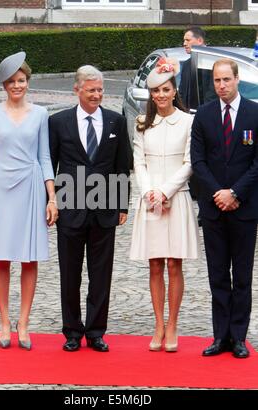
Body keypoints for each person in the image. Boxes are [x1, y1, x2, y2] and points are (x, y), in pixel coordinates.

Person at [0, 52, 58, 350]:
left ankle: (24, 322)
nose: (17, 86)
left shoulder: (41, 114)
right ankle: (4, 321)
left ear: (28, 82)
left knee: (29, 257)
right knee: (1, 255)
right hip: (0, 188)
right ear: (4, 85)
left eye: (21, 80)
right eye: (11, 82)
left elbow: (45, 157)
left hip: (31, 187)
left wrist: (52, 197)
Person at [49, 65, 132, 352]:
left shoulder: (115, 122)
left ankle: (96, 331)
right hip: (69, 208)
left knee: (101, 274)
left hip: (105, 209)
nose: (97, 95)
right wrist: (51, 201)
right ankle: (72, 331)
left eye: (100, 90)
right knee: (69, 273)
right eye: (91, 90)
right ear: (77, 90)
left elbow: (123, 166)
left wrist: (122, 205)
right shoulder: (58, 122)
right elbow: (50, 165)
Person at [130, 57, 200, 352]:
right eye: (156, 91)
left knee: (174, 264)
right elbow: (139, 161)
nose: (161, 95)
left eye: (166, 90)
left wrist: (167, 192)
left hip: (177, 197)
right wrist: (149, 192)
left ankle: (173, 325)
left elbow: (190, 161)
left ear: (175, 92)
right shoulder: (142, 123)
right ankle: (158, 325)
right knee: (155, 264)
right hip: (150, 201)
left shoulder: (188, 121)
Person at [191, 58, 258, 359]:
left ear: (236, 78)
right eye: (217, 81)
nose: (221, 86)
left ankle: (239, 337)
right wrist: (218, 193)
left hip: (245, 208)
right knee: (218, 275)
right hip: (214, 209)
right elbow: (198, 161)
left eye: (226, 80)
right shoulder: (203, 116)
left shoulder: (255, 113)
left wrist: (235, 192)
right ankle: (220, 337)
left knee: (242, 276)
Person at [179, 26, 206, 111]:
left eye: (188, 40)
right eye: (184, 40)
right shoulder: (186, 64)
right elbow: (182, 93)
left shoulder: (213, 63)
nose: (184, 43)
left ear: (200, 41)